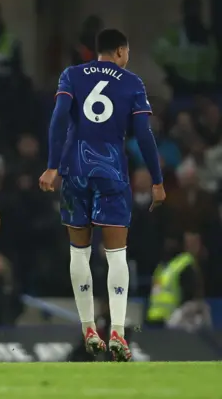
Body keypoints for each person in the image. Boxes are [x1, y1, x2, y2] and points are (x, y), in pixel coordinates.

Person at [39, 29, 165, 362]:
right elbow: (143, 135)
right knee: (116, 254)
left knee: (79, 253)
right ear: (121, 51)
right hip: (112, 173)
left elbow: (58, 119)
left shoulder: (71, 75)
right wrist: (157, 180)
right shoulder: (132, 82)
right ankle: (120, 334)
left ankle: (88, 328)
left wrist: (52, 166)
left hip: (75, 170)